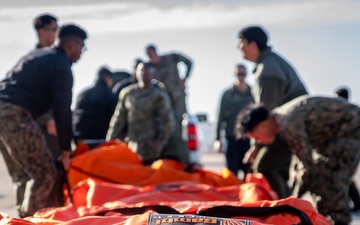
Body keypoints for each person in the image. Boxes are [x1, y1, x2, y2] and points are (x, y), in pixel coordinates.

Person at [0, 24, 87, 217]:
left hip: (4, 111)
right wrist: (66, 151)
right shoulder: (61, 65)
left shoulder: (37, 55)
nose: (82, 53)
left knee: (24, 174)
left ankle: (20, 218)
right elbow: (62, 111)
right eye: (82, 47)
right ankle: (28, 221)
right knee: (45, 174)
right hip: (13, 113)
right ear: (72, 44)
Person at [236, 96, 360, 225]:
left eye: (257, 137)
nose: (259, 142)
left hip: (349, 128)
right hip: (331, 136)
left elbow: (307, 166)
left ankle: (337, 221)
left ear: (263, 126)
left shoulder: (288, 124)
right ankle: (323, 219)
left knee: (331, 178)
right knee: (318, 176)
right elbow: (302, 163)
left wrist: (295, 198)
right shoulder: (279, 120)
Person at [237, 25, 308, 198]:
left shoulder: (267, 70)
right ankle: (288, 209)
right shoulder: (270, 63)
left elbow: (265, 118)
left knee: (265, 165)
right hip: (290, 126)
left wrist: (255, 147)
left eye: (241, 42)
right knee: (279, 169)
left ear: (252, 44)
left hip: (287, 127)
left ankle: (285, 210)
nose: (239, 47)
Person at [106, 62, 175, 165]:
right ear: (136, 73)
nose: (144, 74)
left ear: (153, 74)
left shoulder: (159, 96)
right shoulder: (128, 93)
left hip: (150, 149)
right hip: (131, 146)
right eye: (141, 71)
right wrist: (109, 140)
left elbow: (168, 122)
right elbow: (118, 118)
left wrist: (159, 142)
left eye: (147, 71)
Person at [214, 63, 254, 178]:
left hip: (249, 140)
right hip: (232, 139)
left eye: (243, 74)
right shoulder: (227, 95)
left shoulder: (253, 93)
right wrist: (217, 139)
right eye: (238, 74)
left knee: (250, 174)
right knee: (232, 174)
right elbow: (220, 116)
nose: (241, 77)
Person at [145, 44, 192, 132]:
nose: (150, 57)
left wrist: (185, 78)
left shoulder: (171, 58)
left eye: (151, 54)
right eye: (148, 56)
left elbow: (189, 62)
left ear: (155, 52)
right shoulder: (150, 68)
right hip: (165, 99)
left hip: (178, 97)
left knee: (180, 120)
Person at [72, 66, 118, 145]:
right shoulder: (110, 95)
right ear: (107, 78)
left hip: (79, 137)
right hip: (98, 139)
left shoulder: (82, 93)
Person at [335, 87, 360, 212]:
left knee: (342, 175)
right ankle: (355, 202)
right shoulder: (355, 109)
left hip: (344, 148)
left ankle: (349, 203)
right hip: (355, 148)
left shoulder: (338, 109)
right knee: (346, 175)